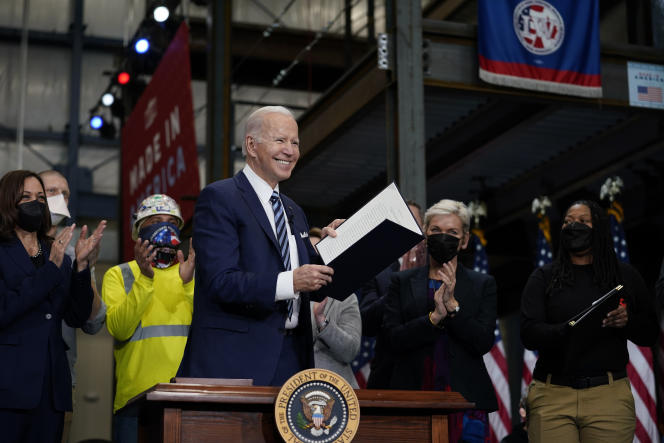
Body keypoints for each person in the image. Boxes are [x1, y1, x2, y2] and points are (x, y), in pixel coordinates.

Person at [177, 106, 341, 386]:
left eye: (295, 142)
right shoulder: (219, 198)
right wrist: (292, 281)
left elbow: (314, 285)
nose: (290, 151)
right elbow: (220, 282)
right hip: (235, 363)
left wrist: (336, 250)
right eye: (280, 140)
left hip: (293, 361)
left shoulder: (294, 211)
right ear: (252, 145)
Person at [520, 200, 658, 443]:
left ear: (600, 229)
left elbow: (650, 333)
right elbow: (529, 333)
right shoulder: (544, 277)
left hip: (608, 396)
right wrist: (566, 329)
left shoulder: (624, 275)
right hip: (552, 395)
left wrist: (628, 321)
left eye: (583, 221)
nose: (574, 226)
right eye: (568, 222)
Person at [0, 170, 105, 442]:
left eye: (40, 198)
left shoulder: (55, 252)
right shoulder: (5, 250)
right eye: (26, 197)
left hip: (52, 390)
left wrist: (82, 267)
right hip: (8, 387)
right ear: (9, 201)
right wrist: (50, 270)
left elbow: (75, 316)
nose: (35, 203)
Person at [384, 199, 498, 442]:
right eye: (435, 230)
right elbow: (392, 340)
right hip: (412, 398)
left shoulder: (482, 284)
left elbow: (483, 341)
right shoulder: (401, 282)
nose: (443, 237)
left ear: (465, 240)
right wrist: (434, 318)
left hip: (465, 402)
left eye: (452, 232)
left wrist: (453, 307)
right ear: (425, 234)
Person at [102, 194, 195, 443]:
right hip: (135, 402)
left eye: (171, 222)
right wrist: (145, 278)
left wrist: (187, 286)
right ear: (138, 230)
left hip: (187, 397)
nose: (165, 227)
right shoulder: (119, 274)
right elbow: (119, 329)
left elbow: (210, 331)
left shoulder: (192, 275)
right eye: (155, 220)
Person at [39, 170, 107, 443]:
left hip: (61, 377)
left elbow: (93, 322)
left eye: (64, 193)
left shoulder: (75, 248)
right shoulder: (15, 245)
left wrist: (85, 267)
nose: (60, 198)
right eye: (51, 192)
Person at [360, 201, 425, 389]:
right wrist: (398, 287)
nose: (407, 225)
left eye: (413, 220)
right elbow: (366, 323)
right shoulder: (375, 269)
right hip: (388, 376)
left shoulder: (436, 265)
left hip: (431, 373)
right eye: (400, 219)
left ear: (423, 228)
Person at [308, 229, 362, 388]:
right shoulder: (286, 292)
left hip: (336, 391)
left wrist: (323, 322)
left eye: (317, 256)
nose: (313, 262)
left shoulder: (344, 296)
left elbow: (350, 351)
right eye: (309, 255)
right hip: (290, 388)